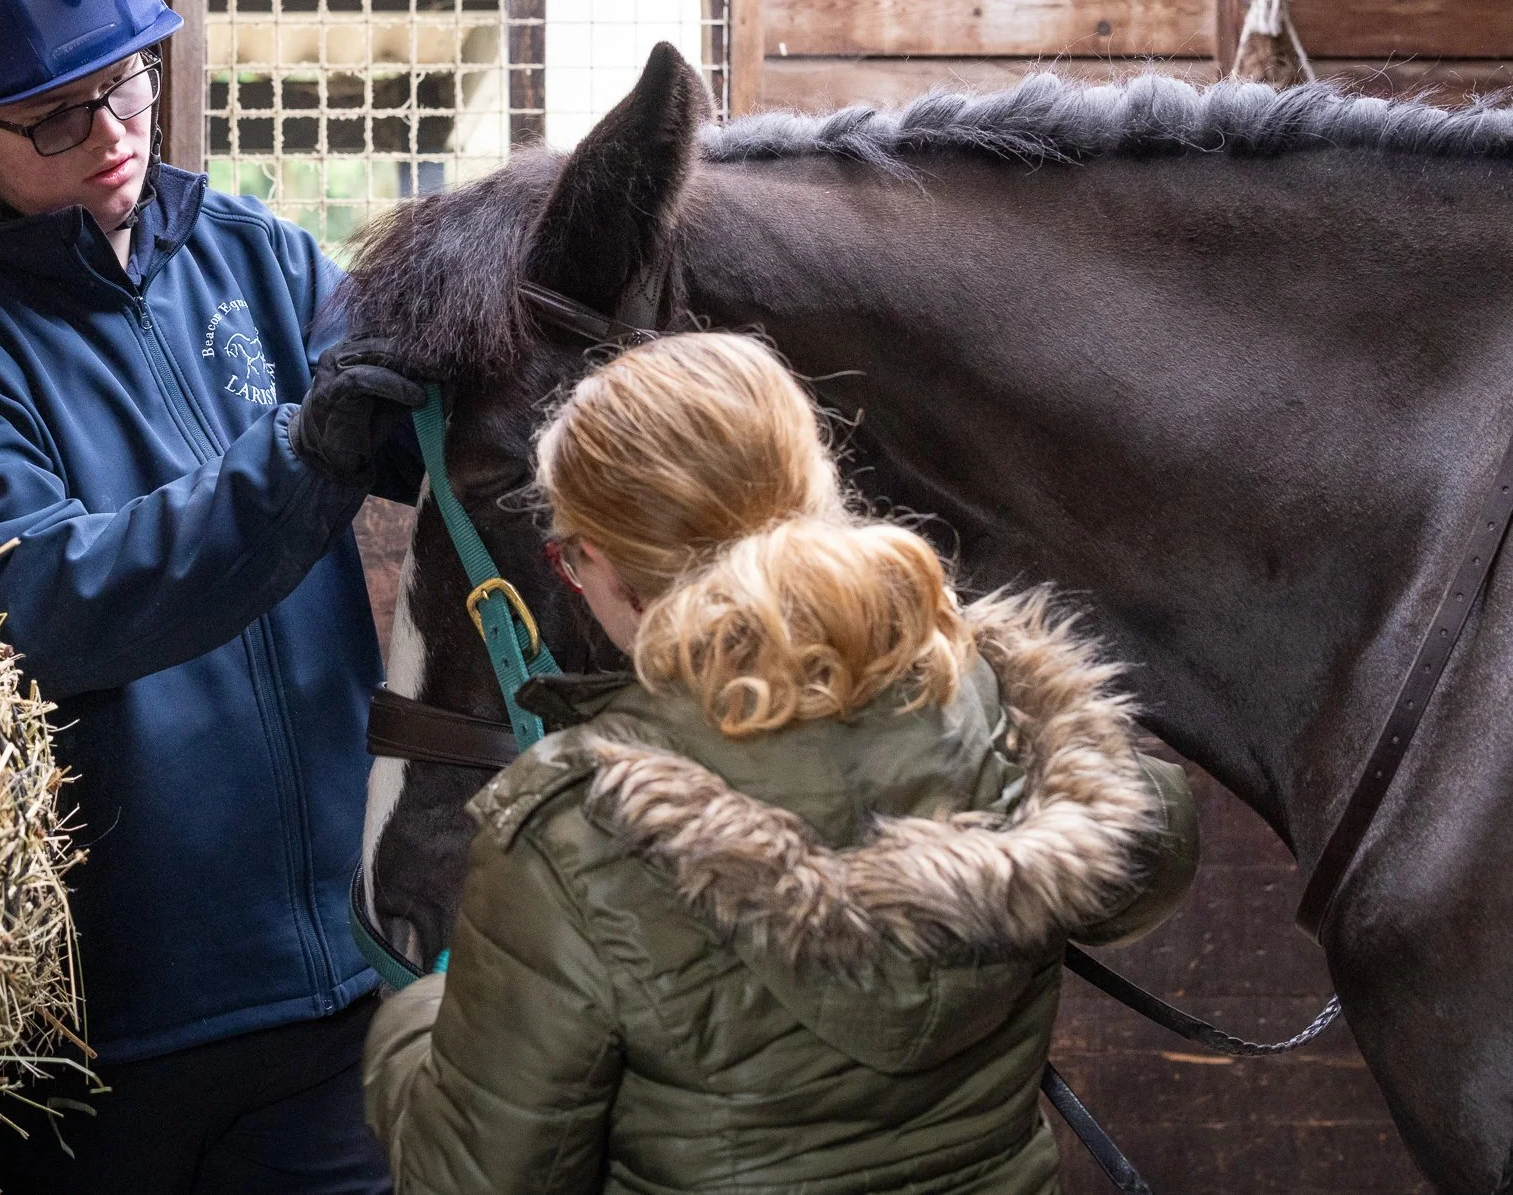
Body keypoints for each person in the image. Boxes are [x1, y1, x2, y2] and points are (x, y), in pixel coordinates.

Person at [0, 0, 423, 1193]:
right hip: (100, 1032)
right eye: (54, 115)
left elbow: (413, 431)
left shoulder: (259, 255)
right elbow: (41, 598)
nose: (111, 133)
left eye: (128, 80)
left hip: (341, 973)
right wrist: (298, 458)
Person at [362, 333, 1200, 1195]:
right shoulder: (1003, 704)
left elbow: (471, 1180)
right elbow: (1152, 848)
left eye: (569, 555)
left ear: (614, 573)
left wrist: (420, 1019)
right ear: (812, 490)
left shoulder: (576, 827)